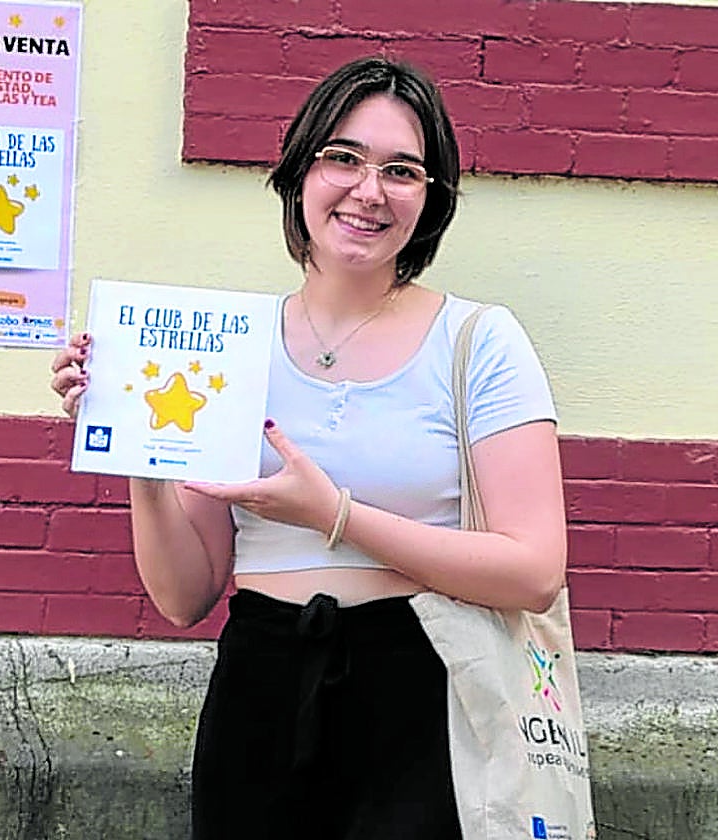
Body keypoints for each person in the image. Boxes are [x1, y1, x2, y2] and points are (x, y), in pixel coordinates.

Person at [51, 56, 566, 839]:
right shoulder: (228, 350)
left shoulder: (478, 341)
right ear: (299, 173)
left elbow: (533, 572)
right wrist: (139, 453)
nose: (369, 190)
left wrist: (336, 515)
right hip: (261, 689)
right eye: (343, 157)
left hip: (426, 688)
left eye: (402, 170)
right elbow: (186, 595)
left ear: (431, 202)